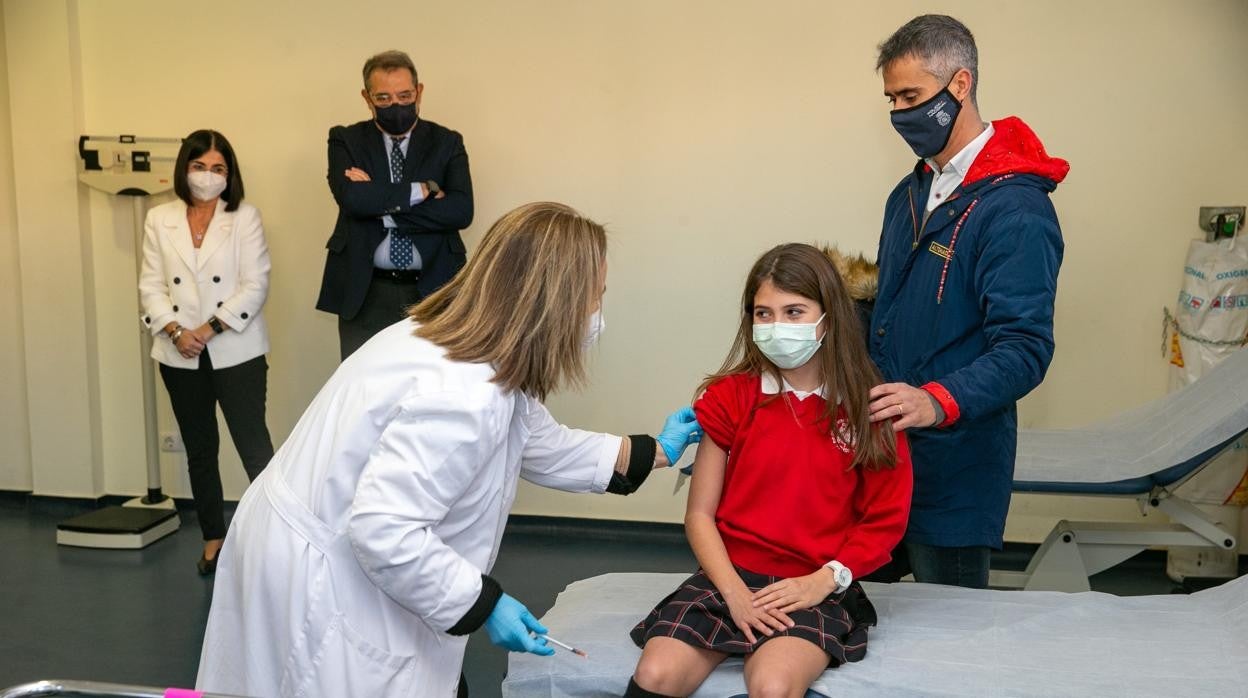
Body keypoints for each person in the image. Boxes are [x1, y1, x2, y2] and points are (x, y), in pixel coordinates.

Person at [195, 202, 703, 698]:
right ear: (554, 301)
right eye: (596, 297)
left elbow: (536, 441)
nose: (596, 314)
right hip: (322, 575)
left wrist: (657, 451)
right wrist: (484, 603)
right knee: (347, 669)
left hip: (304, 539)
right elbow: (384, 531)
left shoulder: (458, 345)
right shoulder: (463, 392)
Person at [627, 244, 912, 698]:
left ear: (830, 318)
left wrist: (824, 581)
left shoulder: (870, 409)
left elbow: (885, 520)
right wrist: (735, 594)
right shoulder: (728, 398)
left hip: (810, 585)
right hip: (728, 576)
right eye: (764, 313)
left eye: (794, 311)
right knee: (656, 674)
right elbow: (699, 515)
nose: (778, 326)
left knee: (773, 685)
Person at [865, 14, 1067, 588]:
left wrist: (937, 400)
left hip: (956, 465)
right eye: (891, 99)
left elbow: (1025, 348)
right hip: (884, 458)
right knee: (858, 625)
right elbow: (893, 310)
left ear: (960, 85)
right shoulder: (907, 195)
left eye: (912, 96)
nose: (900, 114)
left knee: (947, 639)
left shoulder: (1016, 210)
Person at [138, 129, 274, 575]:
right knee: (200, 450)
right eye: (200, 167)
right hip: (179, 354)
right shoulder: (160, 219)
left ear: (229, 175)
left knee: (254, 449)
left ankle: (277, 541)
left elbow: (256, 285)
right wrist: (176, 329)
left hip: (236, 349)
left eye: (218, 168)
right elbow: (151, 285)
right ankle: (213, 537)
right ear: (184, 168)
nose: (208, 176)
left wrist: (208, 327)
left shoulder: (245, 217)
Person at [317, 49, 474, 359]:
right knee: (364, 393)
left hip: (434, 288)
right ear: (367, 97)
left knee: (432, 390)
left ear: (419, 91)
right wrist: (424, 190)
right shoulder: (345, 140)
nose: (396, 106)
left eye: (404, 95)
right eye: (384, 98)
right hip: (366, 290)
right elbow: (352, 199)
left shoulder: (447, 141)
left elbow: (461, 210)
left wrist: (381, 205)